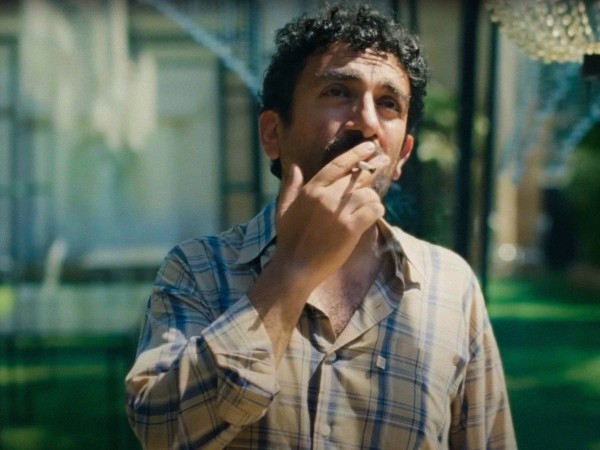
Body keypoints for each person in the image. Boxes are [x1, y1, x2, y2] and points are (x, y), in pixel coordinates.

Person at [125, 4, 517, 449]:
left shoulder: (452, 286)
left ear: (402, 155)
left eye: (388, 103)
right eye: (337, 92)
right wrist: (291, 271)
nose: (367, 122)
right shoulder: (197, 270)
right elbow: (161, 431)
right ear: (273, 133)